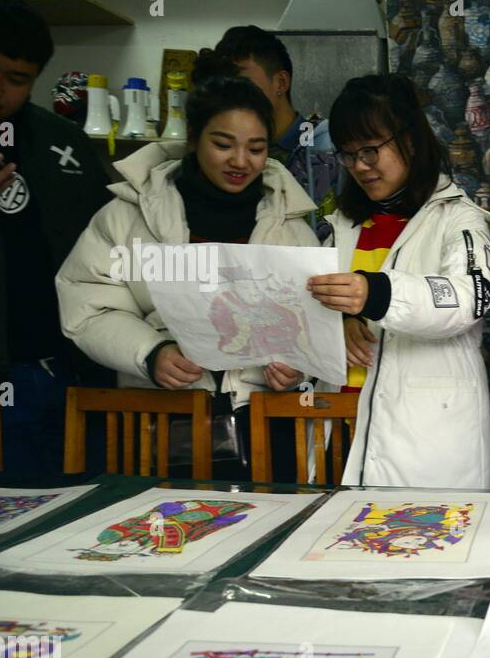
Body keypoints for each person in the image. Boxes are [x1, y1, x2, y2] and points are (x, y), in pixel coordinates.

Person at [55, 50, 319, 480]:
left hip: (261, 421)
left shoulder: (289, 224)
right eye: (222, 144)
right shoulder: (128, 214)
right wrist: (150, 353)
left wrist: (294, 365)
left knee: (261, 529)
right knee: (159, 533)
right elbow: (87, 303)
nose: (240, 161)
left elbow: (312, 323)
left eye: (256, 148)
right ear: (193, 137)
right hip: (159, 415)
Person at [307, 73, 490, 488]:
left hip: (423, 440)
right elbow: (306, 305)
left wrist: (374, 294)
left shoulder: (460, 220)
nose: (360, 166)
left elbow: (469, 298)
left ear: (410, 140)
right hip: (339, 426)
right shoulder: (342, 225)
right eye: (348, 154)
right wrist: (338, 324)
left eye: (371, 150)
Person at [0, 0, 113, 474]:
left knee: (69, 528)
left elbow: (109, 247)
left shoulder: (62, 143)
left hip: (68, 374)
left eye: (16, 78)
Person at [214, 25, 341, 244]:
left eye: (241, 82)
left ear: (281, 82)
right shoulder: (229, 155)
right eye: (224, 84)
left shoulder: (326, 144)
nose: (232, 94)